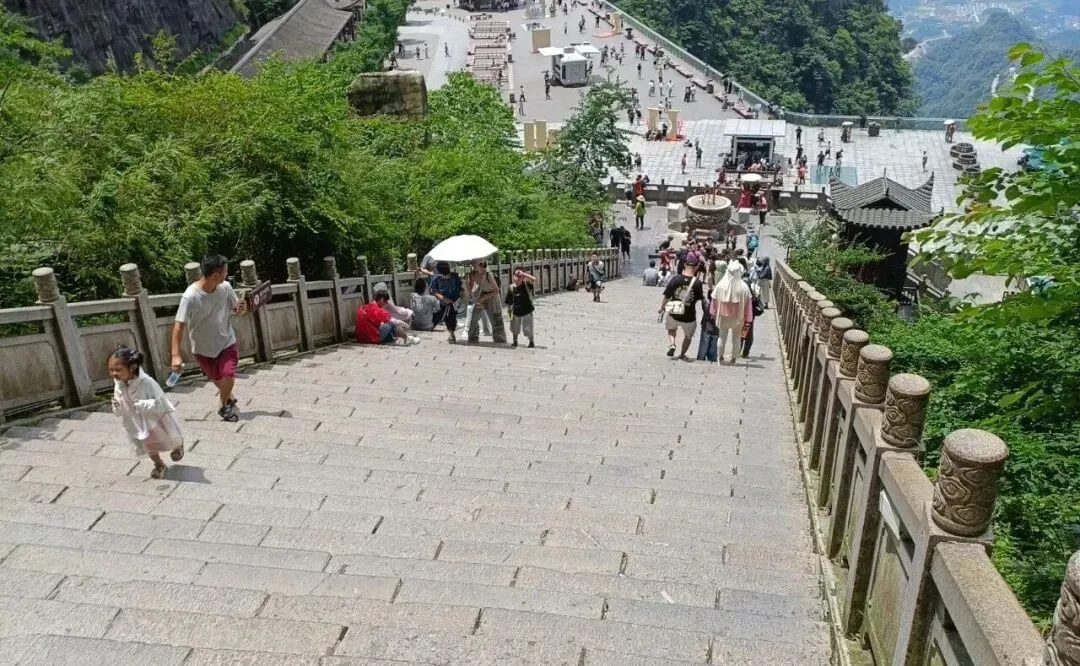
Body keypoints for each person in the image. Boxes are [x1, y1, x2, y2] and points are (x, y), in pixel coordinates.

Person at [171, 254, 247, 423]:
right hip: (202, 348)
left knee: (228, 374)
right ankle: (228, 398)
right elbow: (178, 326)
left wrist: (241, 308)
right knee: (220, 381)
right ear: (215, 275)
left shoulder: (226, 288)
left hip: (227, 341)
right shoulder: (190, 296)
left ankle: (223, 406)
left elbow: (237, 310)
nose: (227, 274)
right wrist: (175, 355)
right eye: (225, 271)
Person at [110, 347, 184, 479]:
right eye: (111, 370)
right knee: (147, 444)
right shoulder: (119, 383)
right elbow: (117, 398)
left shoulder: (147, 383)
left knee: (168, 436)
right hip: (136, 421)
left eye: (118, 369)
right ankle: (159, 464)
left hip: (154, 418)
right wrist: (117, 405)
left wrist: (142, 404)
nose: (114, 373)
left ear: (132, 367)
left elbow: (162, 403)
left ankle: (178, 445)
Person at [659, 252, 706, 360]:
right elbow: (699, 298)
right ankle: (682, 354)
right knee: (688, 336)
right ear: (697, 266)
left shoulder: (676, 279)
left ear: (685, 264)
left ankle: (672, 344)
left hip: (674, 312)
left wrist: (662, 307)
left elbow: (667, 296)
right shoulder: (698, 283)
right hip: (689, 315)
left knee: (671, 329)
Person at [710, 262, 753, 364]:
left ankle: (720, 358)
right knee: (736, 338)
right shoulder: (744, 287)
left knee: (722, 337)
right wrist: (748, 318)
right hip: (738, 316)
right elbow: (748, 305)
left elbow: (713, 300)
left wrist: (714, 313)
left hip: (723, 316)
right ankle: (733, 359)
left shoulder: (720, 285)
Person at [466, 260, 507, 343]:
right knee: (474, 317)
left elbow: (496, 291)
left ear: (480, 265)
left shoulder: (488, 275)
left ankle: (500, 339)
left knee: (496, 319)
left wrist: (484, 297)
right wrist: (469, 286)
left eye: (475, 264)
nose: (473, 265)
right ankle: (473, 338)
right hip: (482, 294)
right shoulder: (473, 274)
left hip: (492, 296)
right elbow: (470, 286)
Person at [429, 261, 463, 343]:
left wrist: (460, 296)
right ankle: (451, 333)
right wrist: (443, 298)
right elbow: (432, 290)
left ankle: (452, 333)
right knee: (446, 318)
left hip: (455, 302)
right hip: (443, 302)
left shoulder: (455, 277)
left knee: (452, 317)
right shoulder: (436, 279)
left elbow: (461, 288)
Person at [504, 268, 536, 348]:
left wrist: (523, 274)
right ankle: (515, 341)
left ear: (523, 278)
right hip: (516, 311)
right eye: (516, 275)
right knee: (514, 328)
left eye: (519, 276)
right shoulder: (511, 287)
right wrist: (509, 313)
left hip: (527, 310)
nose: (517, 278)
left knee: (528, 328)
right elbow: (509, 302)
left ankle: (531, 342)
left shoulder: (526, 284)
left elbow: (534, 279)